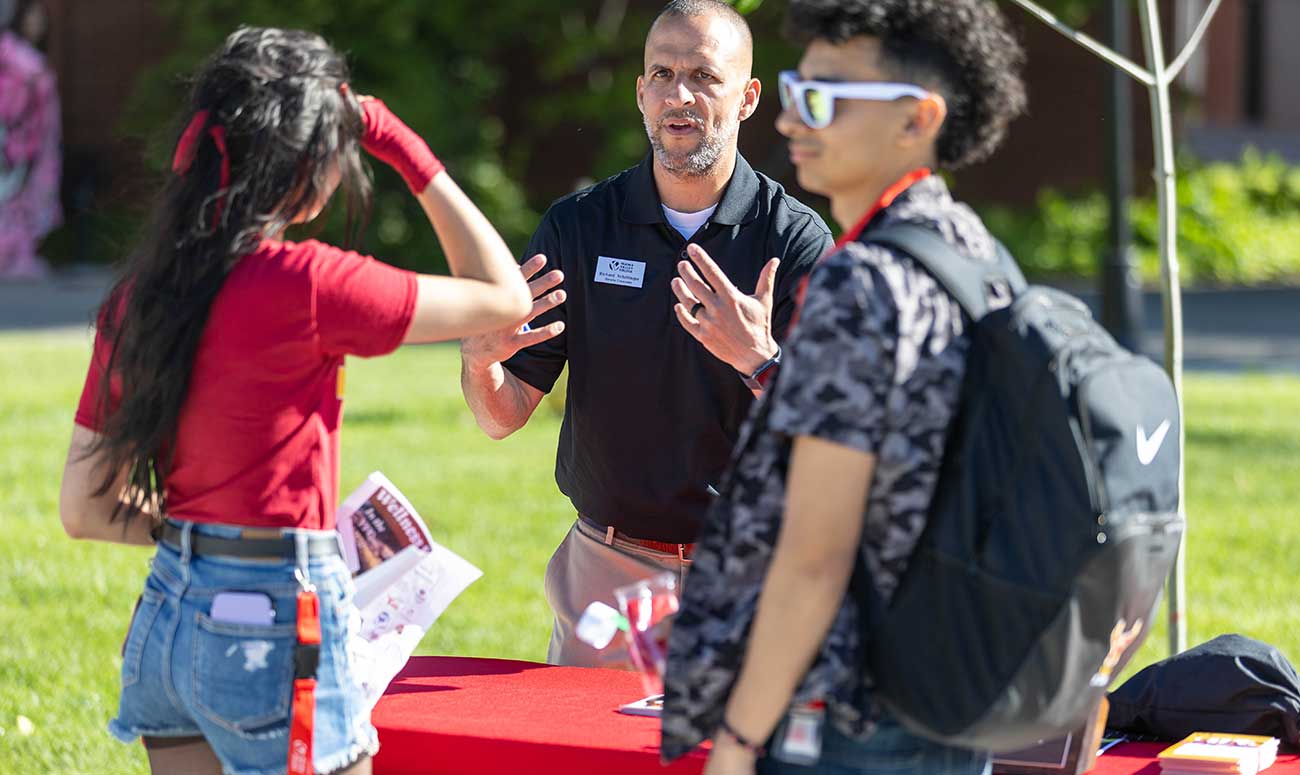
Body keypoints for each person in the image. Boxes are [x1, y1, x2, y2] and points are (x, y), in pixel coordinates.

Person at [58, 27, 530, 775]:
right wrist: (401, 144)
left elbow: (84, 509)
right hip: (270, 624)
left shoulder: (137, 296)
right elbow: (507, 299)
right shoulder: (306, 283)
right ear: (309, 168)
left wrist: (205, 556)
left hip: (167, 620)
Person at [661, 1, 1028, 773]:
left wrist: (736, 739)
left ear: (917, 120)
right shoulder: (973, 249)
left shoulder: (861, 284)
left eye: (826, 99)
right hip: (953, 685)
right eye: (798, 91)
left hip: (852, 713)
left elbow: (815, 556)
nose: (794, 122)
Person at [458, 0, 833, 668]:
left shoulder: (794, 240)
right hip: (606, 567)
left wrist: (760, 358)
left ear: (747, 97)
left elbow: (833, 440)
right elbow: (503, 414)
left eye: (703, 76)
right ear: (639, 94)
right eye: (661, 74)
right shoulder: (579, 226)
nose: (678, 95)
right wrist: (482, 363)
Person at [0, 0, 61, 279]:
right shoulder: (18, 59)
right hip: (15, 142)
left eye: (40, 18)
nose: (36, 23)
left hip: (30, 143)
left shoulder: (23, 59)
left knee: (24, 203)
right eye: (31, 16)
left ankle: (17, 255)